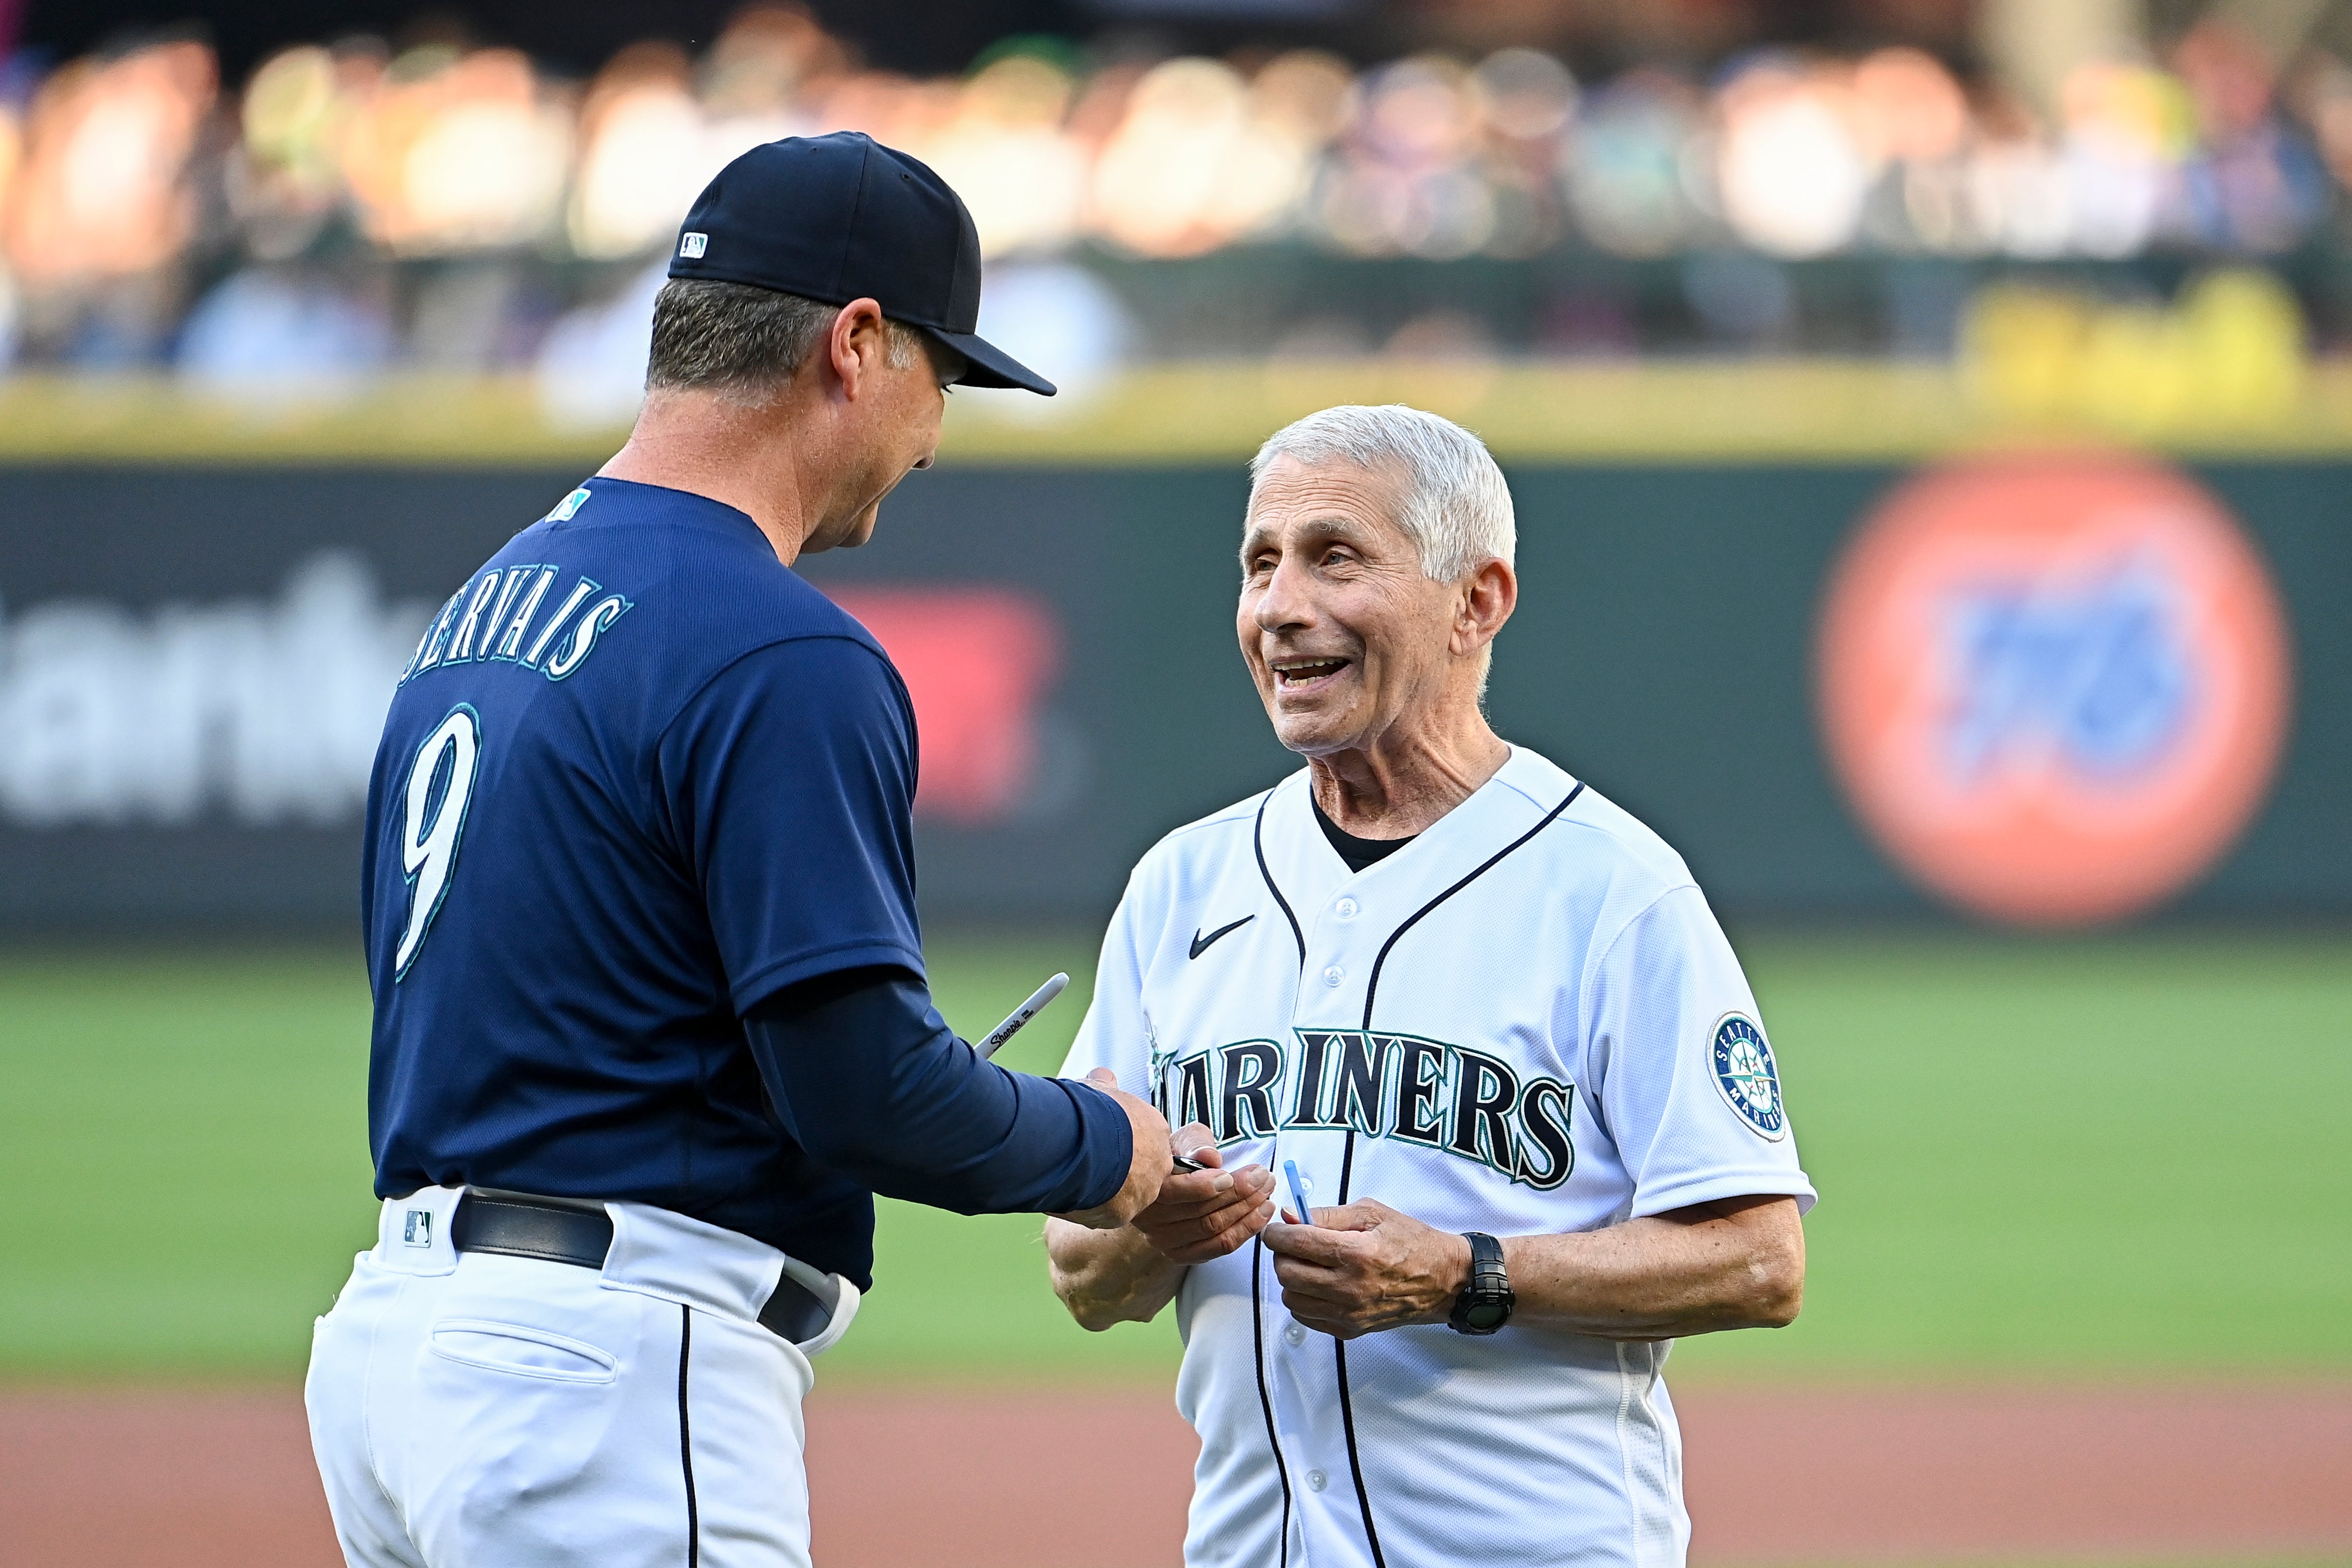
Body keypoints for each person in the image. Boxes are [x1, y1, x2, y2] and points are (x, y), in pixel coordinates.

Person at [307, 132, 1173, 1568]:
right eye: (939, 376)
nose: (935, 429)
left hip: (403, 1353)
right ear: (855, 345)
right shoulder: (776, 646)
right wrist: (1113, 1147)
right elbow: (866, 1094)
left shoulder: (487, 601)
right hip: (603, 1379)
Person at [1045, 404, 1814, 1568]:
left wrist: (1467, 1273)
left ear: (1476, 600)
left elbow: (1757, 1258)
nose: (1280, 607)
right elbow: (1083, 1275)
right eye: (1260, 563)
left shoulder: (1610, 888)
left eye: (1334, 556)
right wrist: (1155, 1222)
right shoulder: (1178, 885)